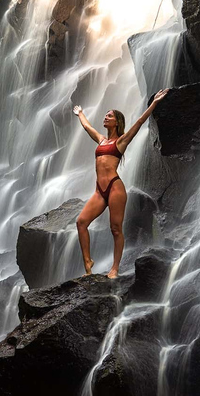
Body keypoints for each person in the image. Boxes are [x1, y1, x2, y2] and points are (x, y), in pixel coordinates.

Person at [72, 89, 169, 278]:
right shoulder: (101, 141)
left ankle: (115, 268)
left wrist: (154, 103)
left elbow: (139, 122)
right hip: (99, 191)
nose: (106, 117)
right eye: (106, 114)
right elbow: (87, 127)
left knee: (115, 228)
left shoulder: (121, 142)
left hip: (115, 188)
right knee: (81, 222)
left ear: (117, 121)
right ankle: (88, 263)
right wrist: (80, 113)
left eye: (110, 115)